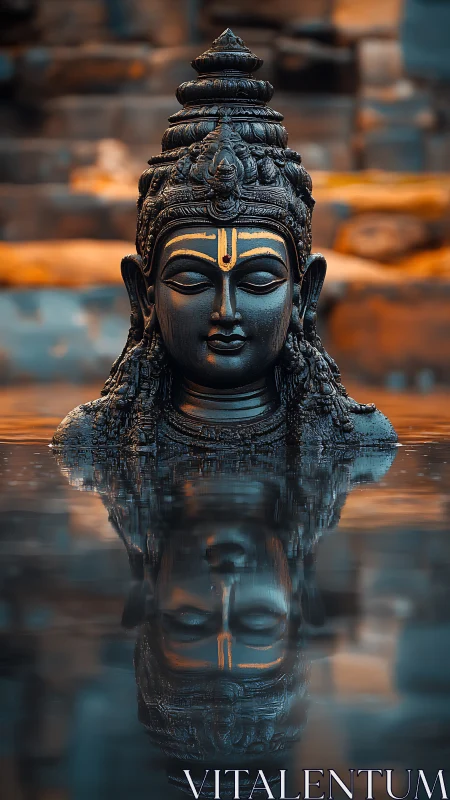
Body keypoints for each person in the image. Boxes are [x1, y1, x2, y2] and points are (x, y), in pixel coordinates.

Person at [52, 29, 396, 452]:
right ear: (143, 295)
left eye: (258, 281)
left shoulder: (357, 439)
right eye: (192, 281)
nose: (226, 312)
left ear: (304, 293)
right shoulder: (94, 439)